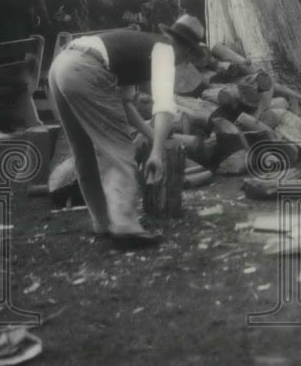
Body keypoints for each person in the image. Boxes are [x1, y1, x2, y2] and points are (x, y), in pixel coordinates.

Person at [48, 14, 208, 248]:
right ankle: (125, 226)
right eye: (188, 56)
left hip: (61, 65)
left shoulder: (140, 46)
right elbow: (163, 107)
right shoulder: (165, 52)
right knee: (120, 150)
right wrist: (156, 153)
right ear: (186, 49)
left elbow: (124, 104)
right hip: (85, 69)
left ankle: (102, 223)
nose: (184, 62)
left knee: (84, 152)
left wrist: (153, 137)